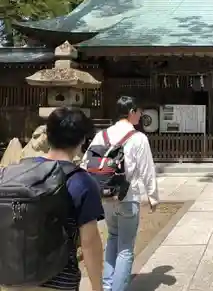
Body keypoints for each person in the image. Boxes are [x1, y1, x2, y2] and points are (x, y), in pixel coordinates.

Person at [3, 107, 105, 291]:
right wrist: (97, 287)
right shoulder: (81, 181)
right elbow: (89, 243)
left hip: (12, 280)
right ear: (82, 139)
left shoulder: (16, 172)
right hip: (59, 283)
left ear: (47, 136)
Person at [82, 96, 159, 291]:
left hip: (105, 196)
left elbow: (86, 162)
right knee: (125, 249)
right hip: (127, 196)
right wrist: (153, 196)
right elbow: (146, 169)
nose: (141, 115)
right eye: (139, 112)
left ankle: (107, 286)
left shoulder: (102, 135)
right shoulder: (139, 138)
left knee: (112, 238)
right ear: (132, 111)